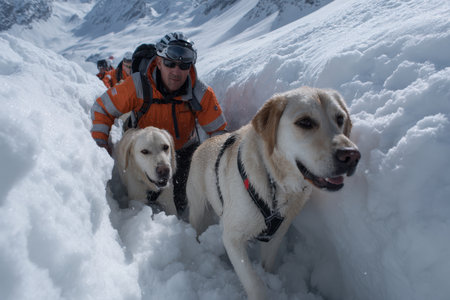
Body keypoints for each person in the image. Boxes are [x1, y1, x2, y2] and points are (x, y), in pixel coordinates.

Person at [90, 32, 227, 214]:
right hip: (141, 150)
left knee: (183, 204)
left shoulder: (201, 93)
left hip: (183, 152)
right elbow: (102, 108)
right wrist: (100, 147)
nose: (176, 71)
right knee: (138, 206)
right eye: (170, 63)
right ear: (159, 62)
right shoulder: (138, 85)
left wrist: (217, 168)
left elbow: (219, 133)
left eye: (184, 65)